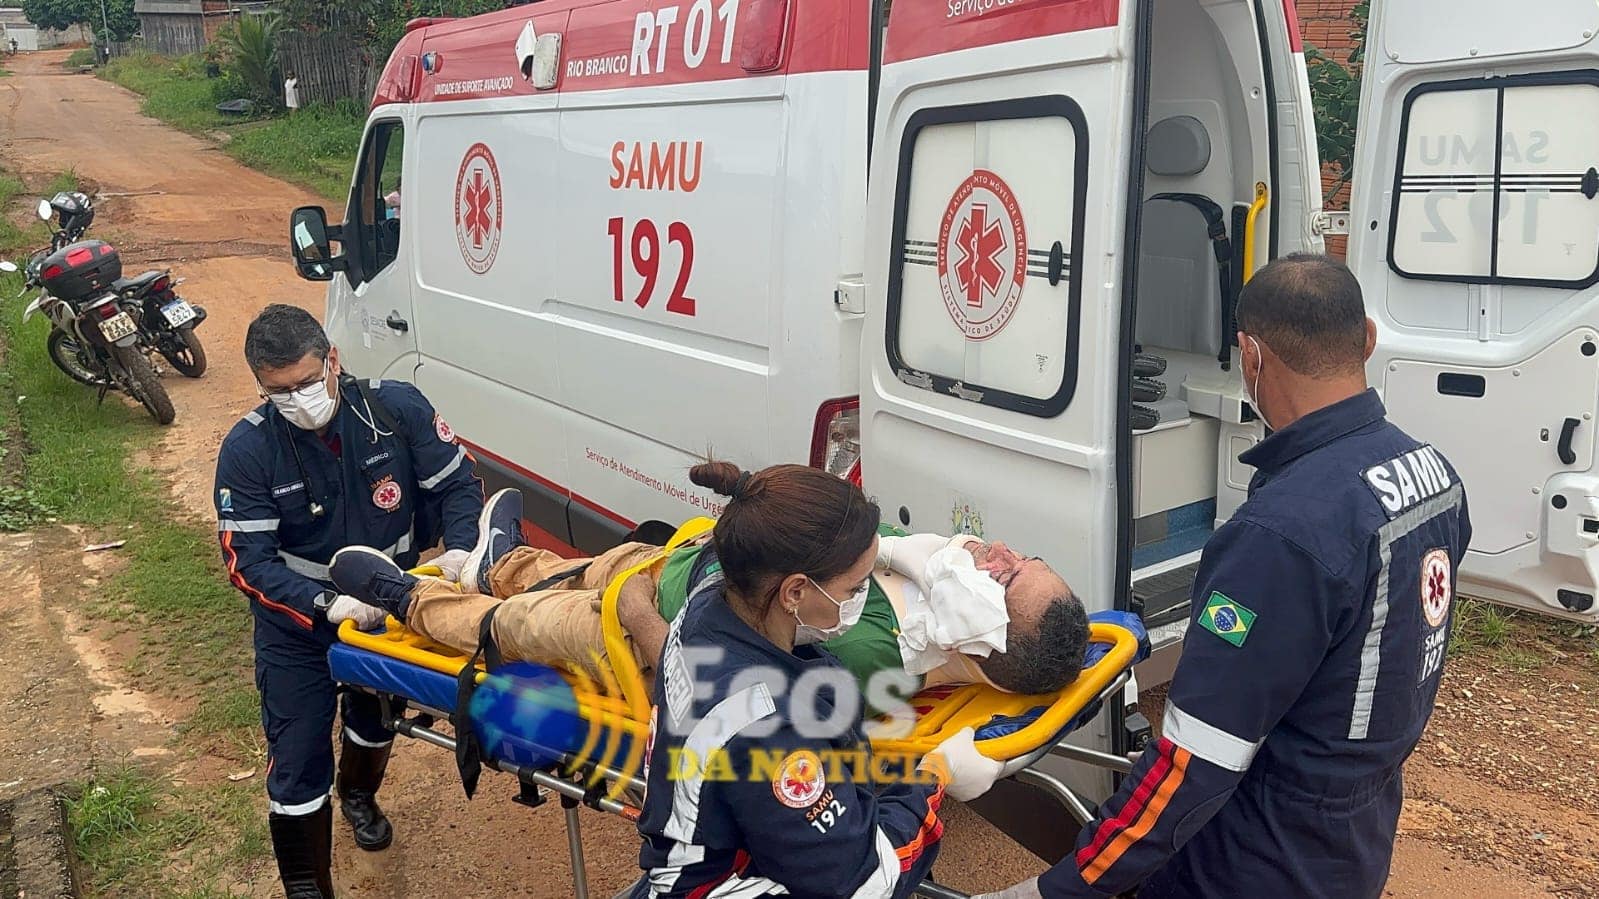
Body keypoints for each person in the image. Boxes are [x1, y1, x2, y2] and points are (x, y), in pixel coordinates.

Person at [978, 255, 1472, 899]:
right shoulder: (1434, 475)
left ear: (1251, 355)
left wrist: (1060, 889)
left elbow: (1196, 763)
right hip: (1356, 832)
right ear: (1368, 339)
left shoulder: (1279, 536)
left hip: (1257, 857)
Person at [325, 486, 1091, 714]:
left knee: (509, 625)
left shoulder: (862, 655)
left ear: (988, 640)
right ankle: (498, 561)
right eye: (1023, 557)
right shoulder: (935, 578)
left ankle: (402, 599)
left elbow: (706, 693)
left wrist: (636, 618)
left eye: (1009, 576)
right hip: (676, 563)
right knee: (571, 568)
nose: (999, 555)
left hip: (631, 628)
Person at [214, 305, 487, 899]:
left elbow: (459, 482)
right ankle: (308, 888)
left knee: (373, 719)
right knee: (295, 759)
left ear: (333, 361)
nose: (298, 398)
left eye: (308, 382)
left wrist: (462, 552)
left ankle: (359, 795)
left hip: (391, 604)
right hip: (301, 626)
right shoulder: (250, 449)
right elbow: (248, 562)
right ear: (261, 385)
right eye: (279, 390)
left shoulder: (395, 410)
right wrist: (326, 605)